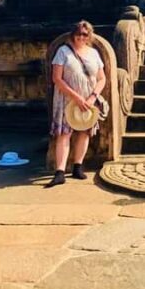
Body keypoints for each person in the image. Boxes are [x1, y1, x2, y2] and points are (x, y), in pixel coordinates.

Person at [47, 20, 106, 187]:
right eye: (79, 33)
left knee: (84, 132)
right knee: (64, 133)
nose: (81, 37)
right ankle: (59, 171)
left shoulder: (94, 53)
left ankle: (77, 166)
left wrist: (92, 97)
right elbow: (56, 78)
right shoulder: (63, 51)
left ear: (89, 36)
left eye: (85, 34)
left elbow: (102, 79)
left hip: (89, 99)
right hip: (67, 99)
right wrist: (76, 97)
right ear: (73, 34)